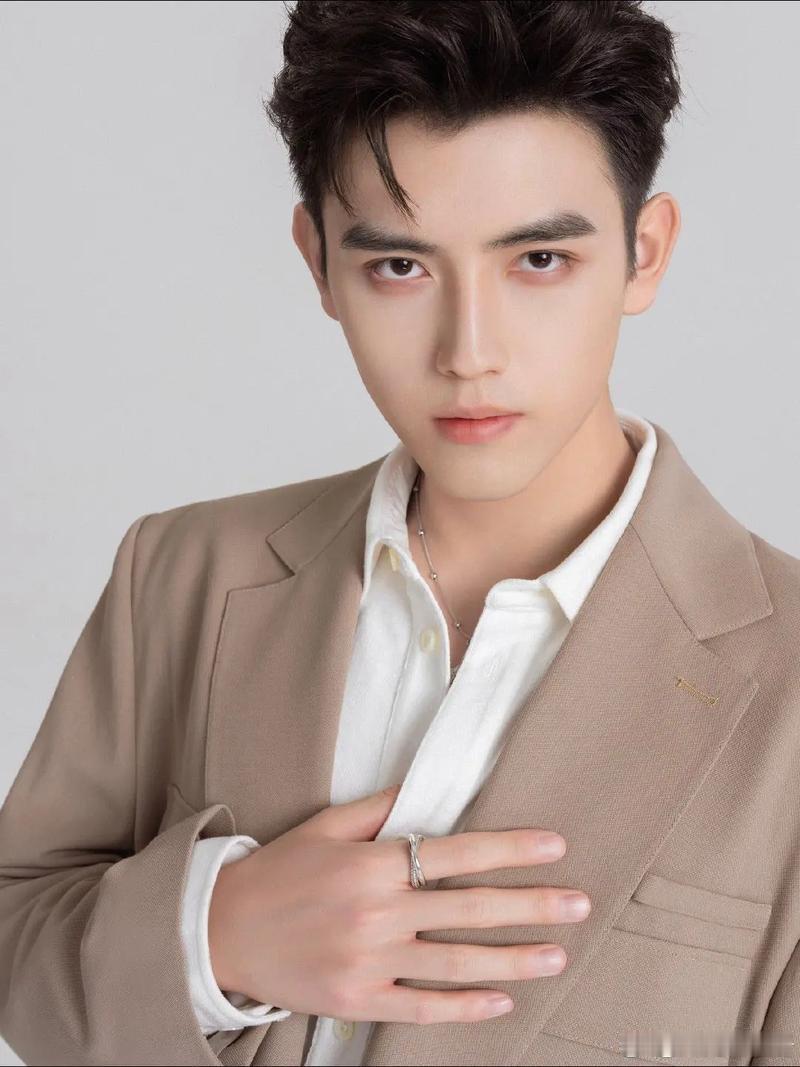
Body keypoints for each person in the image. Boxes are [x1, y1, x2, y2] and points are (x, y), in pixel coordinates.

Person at [1, 2, 798, 1065]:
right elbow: (17, 924)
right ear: (319, 262)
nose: (468, 350)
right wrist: (210, 935)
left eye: (538, 260)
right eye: (400, 268)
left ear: (642, 254)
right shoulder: (182, 573)